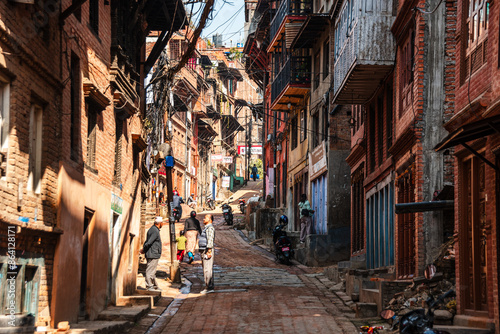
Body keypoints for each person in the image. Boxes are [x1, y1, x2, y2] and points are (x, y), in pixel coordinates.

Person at [140, 216, 163, 291]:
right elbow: (149, 242)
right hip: (152, 253)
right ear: (159, 223)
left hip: (153, 253)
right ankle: (149, 286)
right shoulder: (154, 231)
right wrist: (144, 249)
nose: (163, 224)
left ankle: (154, 285)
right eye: (162, 223)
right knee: (150, 271)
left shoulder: (154, 229)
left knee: (153, 270)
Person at [198, 214, 215, 294]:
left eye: (206, 218)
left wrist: (209, 251)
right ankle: (209, 286)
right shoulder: (206, 228)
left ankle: (208, 287)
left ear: (210, 220)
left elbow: (210, 239)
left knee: (207, 269)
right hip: (203, 250)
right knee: (207, 268)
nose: (203, 219)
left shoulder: (210, 228)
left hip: (206, 250)